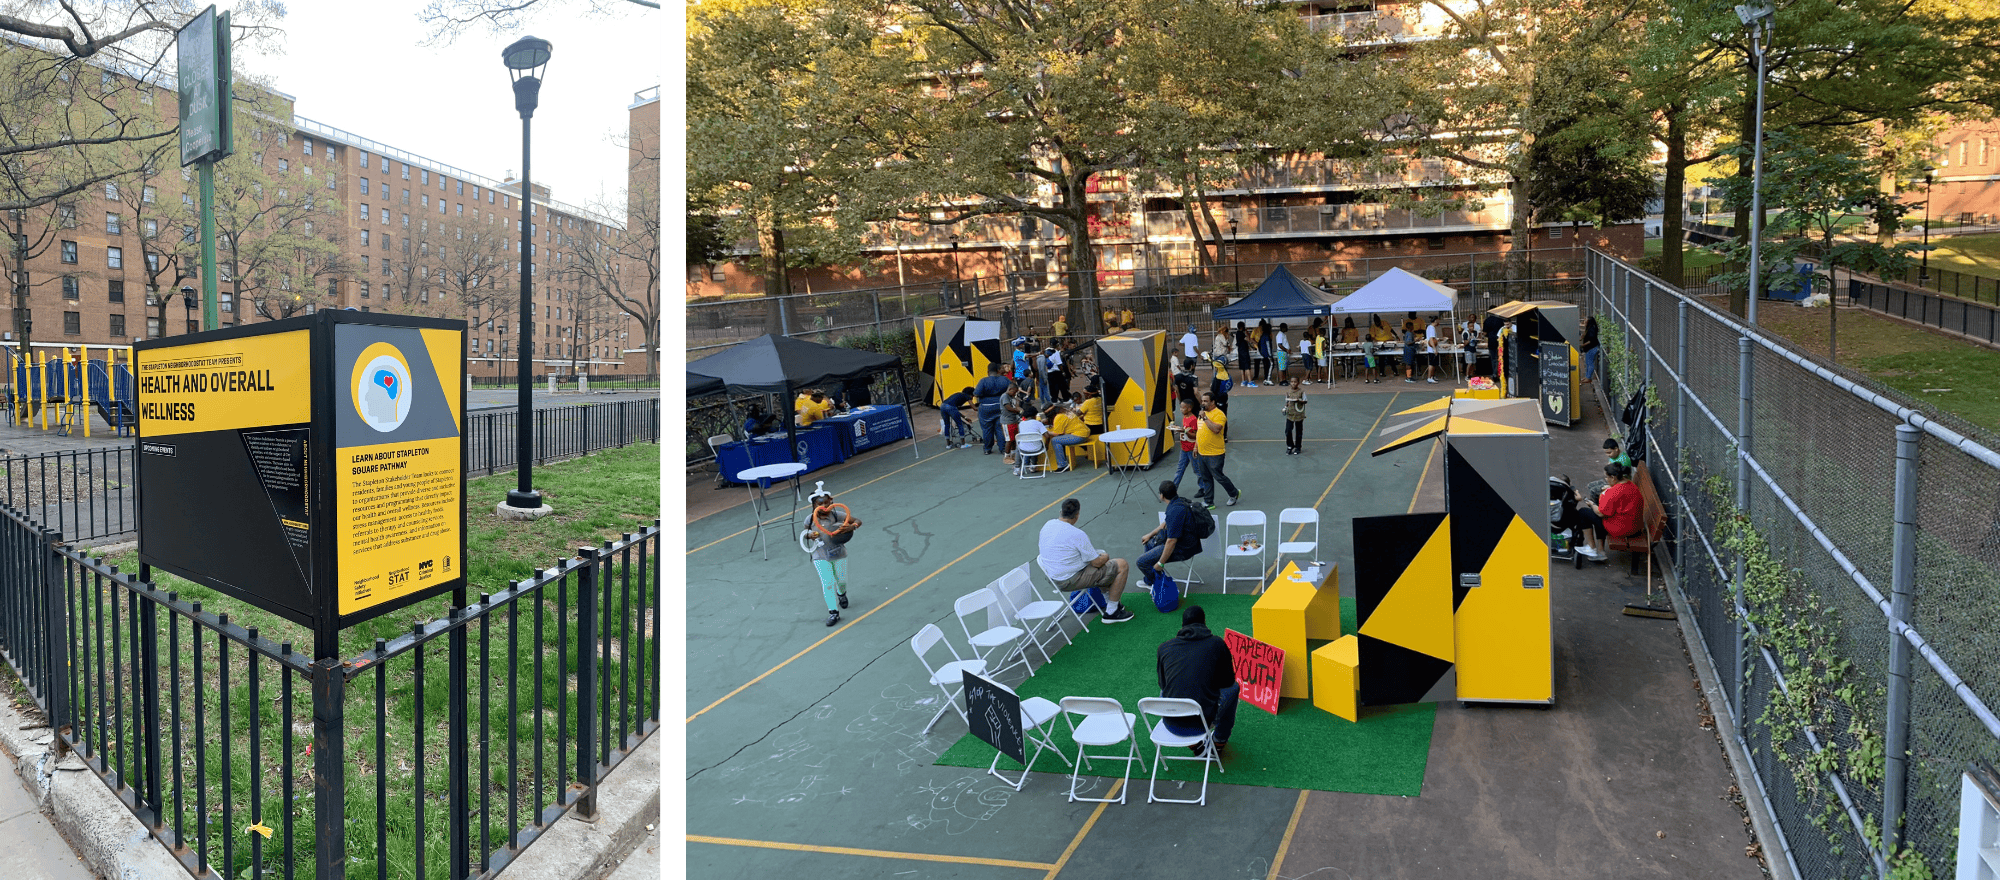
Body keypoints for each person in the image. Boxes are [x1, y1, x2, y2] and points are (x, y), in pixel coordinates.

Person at [1036, 498, 1134, 623]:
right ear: (1077, 515)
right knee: (1120, 565)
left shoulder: (1048, 525)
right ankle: (1112, 612)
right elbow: (1096, 562)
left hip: (1053, 577)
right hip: (1069, 580)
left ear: (1060, 511)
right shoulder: (1077, 534)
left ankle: (1108, 601)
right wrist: (1105, 556)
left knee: (1104, 568)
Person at [1156, 604, 1237, 753]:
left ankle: (1195, 746)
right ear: (1204, 623)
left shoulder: (1164, 648)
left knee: (1165, 690)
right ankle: (1219, 741)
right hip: (1201, 723)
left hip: (1170, 721)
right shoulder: (1217, 643)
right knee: (1234, 688)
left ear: (1182, 625)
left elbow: (1162, 684)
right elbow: (1228, 681)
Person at [805, 484, 863, 626]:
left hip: (839, 554)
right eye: (821, 503)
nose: (825, 506)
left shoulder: (838, 515)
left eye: (827, 502)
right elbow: (804, 534)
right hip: (820, 556)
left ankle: (841, 594)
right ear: (814, 505)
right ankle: (833, 612)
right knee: (827, 583)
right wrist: (809, 535)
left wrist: (852, 526)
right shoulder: (810, 520)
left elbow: (857, 521)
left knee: (841, 581)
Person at [1137, 480, 1205, 591]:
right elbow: (1166, 523)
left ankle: (1160, 585)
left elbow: (1171, 541)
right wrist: (1150, 534)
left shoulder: (1175, 511)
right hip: (1190, 543)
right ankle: (1151, 581)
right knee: (1149, 544)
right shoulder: (1179, 502)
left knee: (1141, 562)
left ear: (1162, 495)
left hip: (1183, 549)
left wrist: (1160, 563)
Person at [1193, 391, 1239, 509]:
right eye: (1202, 401)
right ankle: (1209, 502)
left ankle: (1234, 493)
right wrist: (1196, 446)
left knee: (1219, 477)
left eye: (1205, 401)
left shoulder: (1219, 414)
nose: (1203, 403)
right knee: (1206, 478)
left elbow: (1216, 429)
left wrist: (1205, 418)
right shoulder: (1201, 414)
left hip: (1215, 454)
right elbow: (1200, 431)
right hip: (1202, 453)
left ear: (1213, 402)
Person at [973, 364, 1014, 455]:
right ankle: (1003, 449)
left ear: (988, 372)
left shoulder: (983, 381)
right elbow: (1012, 390)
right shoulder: (1004, 379)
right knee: (1000, 428)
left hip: (986, 407)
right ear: (999, 370)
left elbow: (976, 393)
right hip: (1001, 405)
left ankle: (987, 449)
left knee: (987, 429)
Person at [1048, 402, 1093, 472]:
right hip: (1085, 433)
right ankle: (1063, 463)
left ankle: (1062, 465)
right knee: (1060, 439)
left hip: (1079, 435)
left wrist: (1047, 432)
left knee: (1055, 440)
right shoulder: (1065, 411)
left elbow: (1057, 433)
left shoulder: (1058, 417)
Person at [1168, 398, 1199, 489]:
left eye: (1183, 408)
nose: (1181, 409)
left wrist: (1184, 431)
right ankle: (1174, 488)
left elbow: (1196, 435)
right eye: (1180, 407)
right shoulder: (1185, 417)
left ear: (1189, 409)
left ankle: (1203, 488)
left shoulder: (1193, 419)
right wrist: (1179, 429)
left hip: (1191, 449)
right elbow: (1185, 429)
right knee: (1179, 469)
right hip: (1184, 448)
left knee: (1197, 470)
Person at [1282, 376, 1308, 455]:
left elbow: (1305, 401)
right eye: (1292, 382)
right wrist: (1285, 408)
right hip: (1290, 414)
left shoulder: (1301, 392)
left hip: (1299, 414)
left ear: (1298, 383)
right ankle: (1290, 446)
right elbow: (1287, 401)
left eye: (1295, 382)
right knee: (1288, 430)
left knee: (1299, 431)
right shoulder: (1288, 392)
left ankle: (1298, 447)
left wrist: (1299, 401)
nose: (1293, 383)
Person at [1580, 315, 1602, 384]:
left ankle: (1588, 378)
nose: (1584, 321)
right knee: (1587, 362)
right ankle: (1587, 377)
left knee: (1589, 363)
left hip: (1592, 348)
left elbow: (1591, 340)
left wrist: (1582, 345)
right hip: (1591, 348)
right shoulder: (1590, 327)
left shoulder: (1592, 329)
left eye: (1585, 320)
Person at [1256, 318, 1275, 385]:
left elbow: (1259, 344)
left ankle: (1266, 378)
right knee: (1271, 365)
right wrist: (1270, 354)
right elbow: (1268, 346)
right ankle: (1268, 378)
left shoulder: (1262, 335)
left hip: (1263, 354)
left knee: (1266, 366)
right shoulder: (1266, 335)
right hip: (1267, 354)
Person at [1423, 315, 1441, 384]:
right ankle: (1429, 377)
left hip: (1432, 348)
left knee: (1433, 364)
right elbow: (1431, 339)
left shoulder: (1431, 328)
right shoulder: (1431, 328)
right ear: (1436, 320)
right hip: (1432, 349)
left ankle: (1432, 376)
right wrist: (1434, 349)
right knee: (1431, 364)